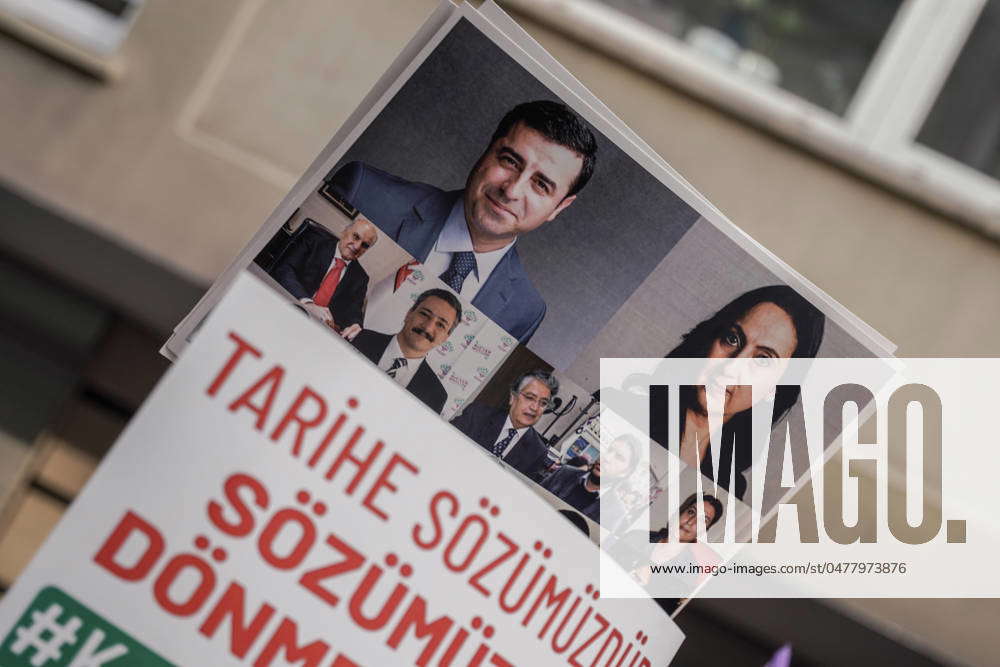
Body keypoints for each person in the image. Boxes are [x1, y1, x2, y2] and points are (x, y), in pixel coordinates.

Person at [325, 100, 598, 344]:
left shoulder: (524, 310)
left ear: (559, 207)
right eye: (510, 161)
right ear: (487, 150)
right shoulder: (364, 191)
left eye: (541, 184)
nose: (512, 190)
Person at [662, 285, 825, 500]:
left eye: (762, 360)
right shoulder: (616, 408)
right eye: (732, 339)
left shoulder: (728, 488)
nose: (731, 367)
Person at [349, 288, 461, 414]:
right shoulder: (357, 339)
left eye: (440, 325)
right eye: (424, 314)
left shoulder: (435, 396)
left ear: (445, 338)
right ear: (409, 314)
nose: (428, 327)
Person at [269, 217, 378, 334]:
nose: (357, 246)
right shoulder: (314, 241)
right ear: (344, 231)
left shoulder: (361, 278)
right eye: (355, 237)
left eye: (365, 245)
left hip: (314, 331)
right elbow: (285, 270)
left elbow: (354, 311)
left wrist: (355, 325)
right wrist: (308, 304)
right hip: (285, 305)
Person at [449, 370, 558, 477]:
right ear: (512, 397)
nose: (535, 407)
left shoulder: (538, 452)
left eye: (543, 403)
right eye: (529, 398)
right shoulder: (477, 415)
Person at [541, 433, 639, 528]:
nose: (607, 458)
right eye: (610, 450)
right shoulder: (565, 473)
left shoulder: (615, 511)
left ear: (626, 472)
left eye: (619, 457)